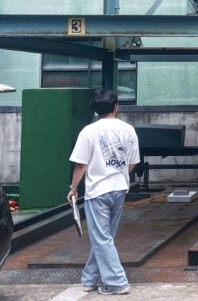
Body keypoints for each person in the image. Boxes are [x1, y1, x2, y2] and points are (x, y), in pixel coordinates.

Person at [67, 89, 140, 295]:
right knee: (105, 238)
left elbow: (81, 164)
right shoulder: (128, 130)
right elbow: (133, 162)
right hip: (119, 188)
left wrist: (73, 188)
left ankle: (117, 282)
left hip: (98, 190)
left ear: (96, 110)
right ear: (116, 107)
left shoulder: (89, 131)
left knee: (102, 238)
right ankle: (89, 279)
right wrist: (119, 174)